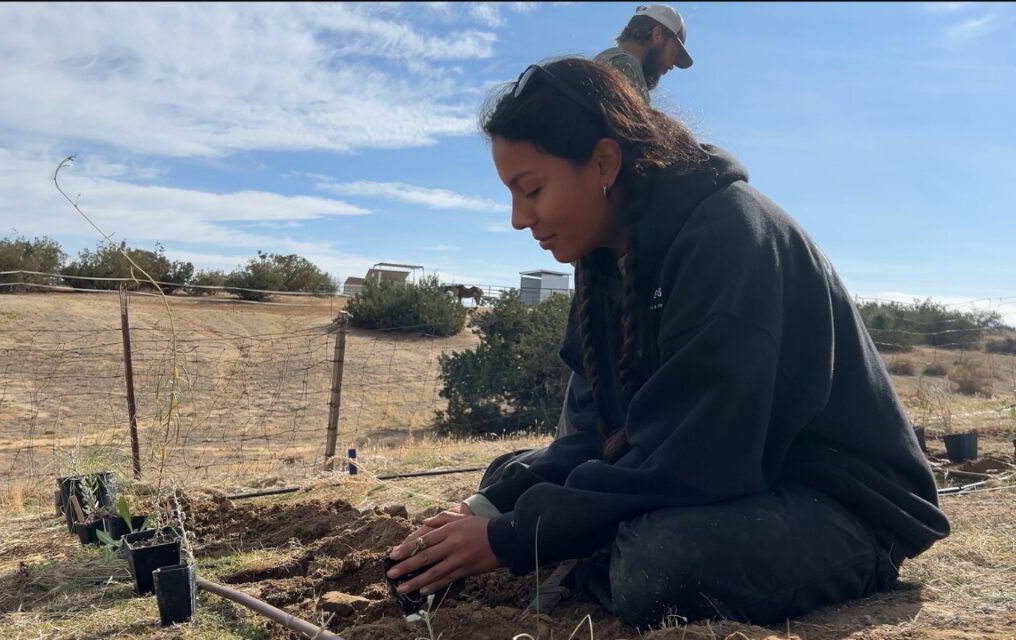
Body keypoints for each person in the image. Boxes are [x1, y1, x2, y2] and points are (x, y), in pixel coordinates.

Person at [386, 57, 950, 628]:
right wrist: (487, 512)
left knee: (658, 563)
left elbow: (700, 459)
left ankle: (604, 554)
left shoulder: (728, 238)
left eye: (531, 190)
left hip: (834, 501)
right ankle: (591, 541)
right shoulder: (601, 258)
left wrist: (513, 538)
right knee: (508, 476)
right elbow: (591, 436)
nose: (516, 218)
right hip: (726, 473)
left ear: (604, 162)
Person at [595, 4, 693, 104]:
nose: (671, 66)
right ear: (657, 35)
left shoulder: (607, 60)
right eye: (673, 53)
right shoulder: (625, 65)